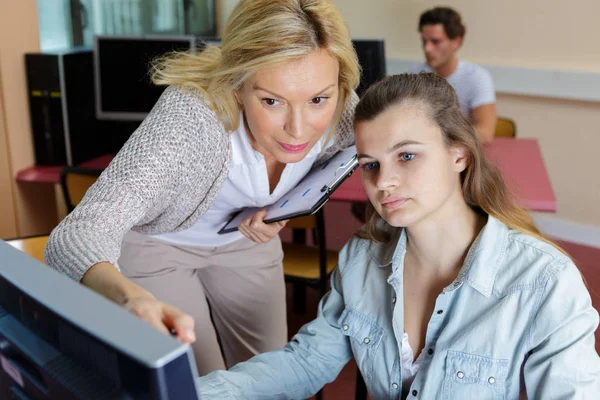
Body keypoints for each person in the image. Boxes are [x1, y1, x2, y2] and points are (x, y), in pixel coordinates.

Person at [195, 73, 600, 399]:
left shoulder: (544, 282)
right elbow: (307, 362)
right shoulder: (362, 259)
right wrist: (201, 393)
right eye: (370, 164)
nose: (384, 182)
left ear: (458, 154)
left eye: (407, 156)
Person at [44, 0, 360, 375]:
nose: (298, 128)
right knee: (199, 381)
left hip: (245, 243)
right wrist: (131, 299)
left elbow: (380, 149)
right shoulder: (191, 118)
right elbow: (75, 234)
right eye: (272, 101)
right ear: (238, 85)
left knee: (272, 376)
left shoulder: (342, 107)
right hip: (160, 246)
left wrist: (284, 208)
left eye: (317, 100)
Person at [410, 7, 497, 143]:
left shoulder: (477, 77)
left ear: (456, 42)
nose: (427, 49)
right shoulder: (415, 75)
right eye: (424, 41)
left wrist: (438, 137)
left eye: (435, 41)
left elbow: (485, 132)